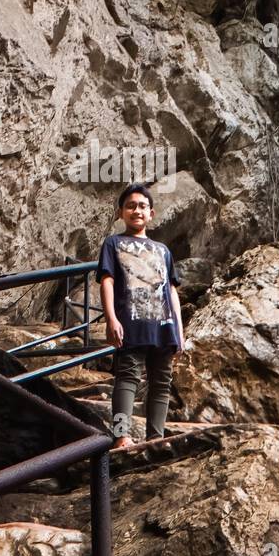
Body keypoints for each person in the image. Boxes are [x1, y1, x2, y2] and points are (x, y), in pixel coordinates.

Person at [95, 183, 184, 448]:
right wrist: (111, 318)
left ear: (151, 213)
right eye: (130, 206)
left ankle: (155, 437)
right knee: (127, 378)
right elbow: (107, 281)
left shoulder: (163, 250)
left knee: (161, 381)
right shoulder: (113, 243)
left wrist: (179, 329)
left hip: (163, 324)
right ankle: (121, 436)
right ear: (121, 213)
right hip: (130, 323)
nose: (137, 211)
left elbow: (172, 290)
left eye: (142, 206)